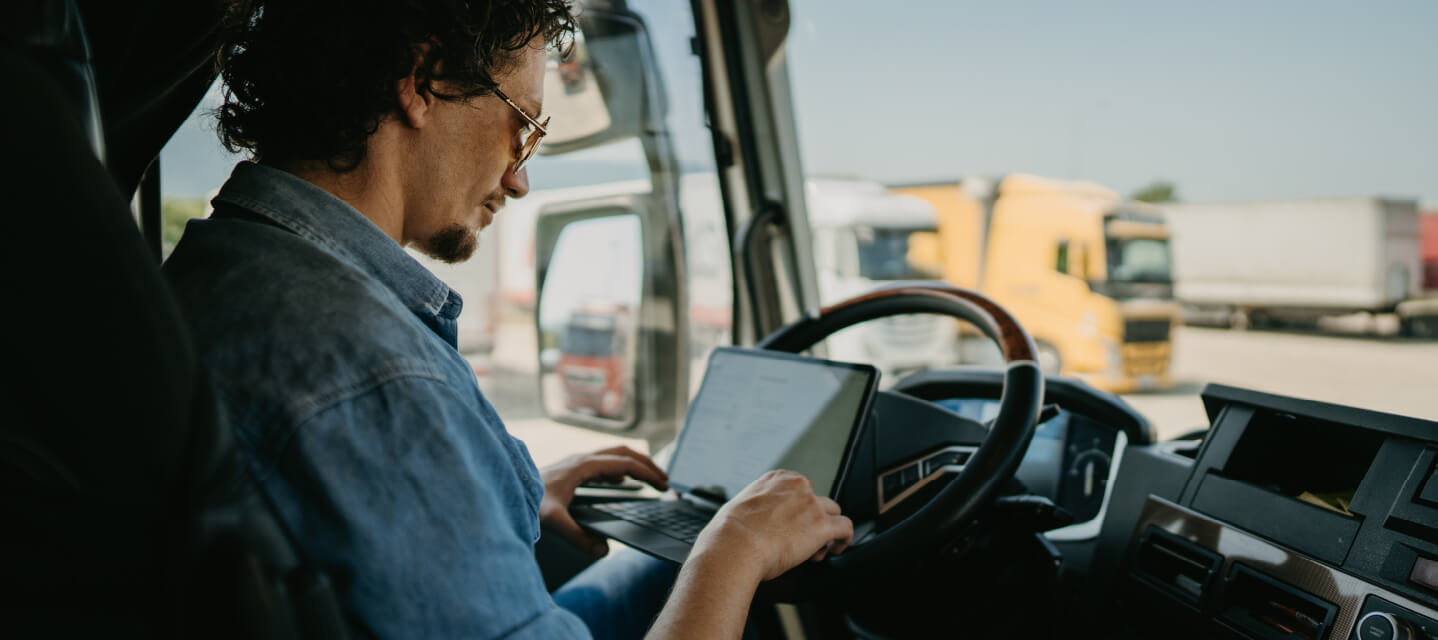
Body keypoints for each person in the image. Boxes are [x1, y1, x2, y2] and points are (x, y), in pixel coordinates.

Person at [161, 1, 854, 638]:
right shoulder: (371, 371)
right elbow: (371, 425)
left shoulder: (218, 268)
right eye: (522, 128)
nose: (521, 179)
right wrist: (735, 552)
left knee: (663, 564)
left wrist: (511, 492)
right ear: (423, 81)